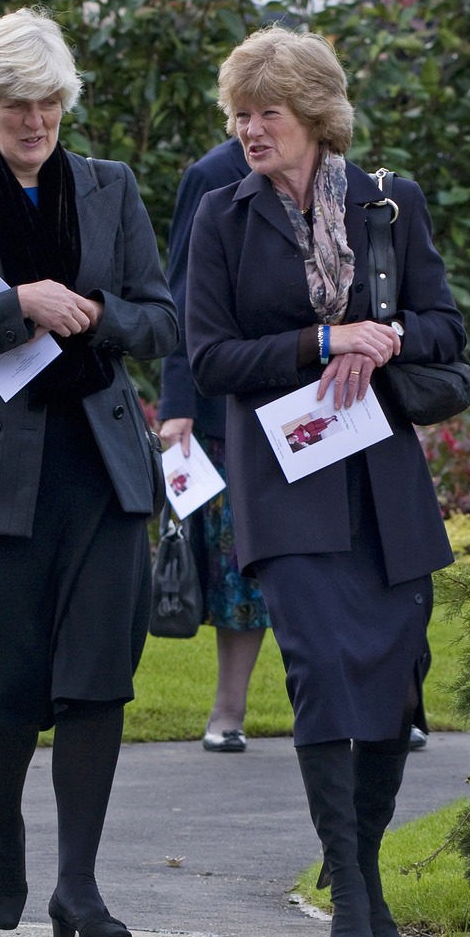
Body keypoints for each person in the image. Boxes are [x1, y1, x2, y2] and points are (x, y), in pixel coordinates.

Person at [0, 8, 177, 937]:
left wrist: (94, 313)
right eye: (16, 103)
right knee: (1, 680)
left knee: (99, 675)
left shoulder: (110, 187)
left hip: (101, 466)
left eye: (50, 102)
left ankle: (80, 885)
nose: (35, 121)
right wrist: (15, 306)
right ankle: (5, 827)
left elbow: (162, 318)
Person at [186, 24, 466, 937]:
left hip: (382, 471)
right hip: (284, 472)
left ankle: (368, 870)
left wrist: (385, 338)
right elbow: (210, 355)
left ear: (315, 116)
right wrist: (321, 342)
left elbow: (444, 326)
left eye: (267, 112)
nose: (251, 129)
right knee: (318, 672)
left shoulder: (390, 205)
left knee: (392, 680)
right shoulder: (222, 217)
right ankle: (346, 891)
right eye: (240, 114)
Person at [158, 136, 270, 754]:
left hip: (318, 400)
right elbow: (182, 291)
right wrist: (177, 405)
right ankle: (229, 710)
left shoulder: (342, 177)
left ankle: (393, 708)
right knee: (237, 566)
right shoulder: (212, 175)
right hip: (226, 404)